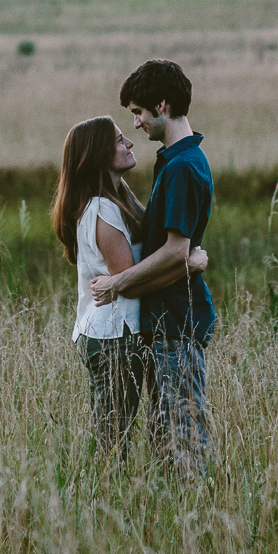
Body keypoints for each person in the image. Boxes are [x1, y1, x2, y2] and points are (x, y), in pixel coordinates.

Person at [52, 115, 208, 460]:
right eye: (119, 141)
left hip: (119, 335)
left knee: (118, 435)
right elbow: (133, 286)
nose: (130, 143)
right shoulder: (101, 210)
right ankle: (100, 502)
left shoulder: (118, 197)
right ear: (97, 155)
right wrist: (190, 264)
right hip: (112, 339)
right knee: (112, 442)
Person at [90, 60, 215, 474]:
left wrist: (116, 283)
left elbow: (174, 250)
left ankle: (203, 524)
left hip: (177, 322)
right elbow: (177, 248)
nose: (138, 123)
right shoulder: (175, 160)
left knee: (185, 439)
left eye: (139, 113)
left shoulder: (181, 167)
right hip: (167, 322)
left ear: (161, 105)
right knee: (166, 438)